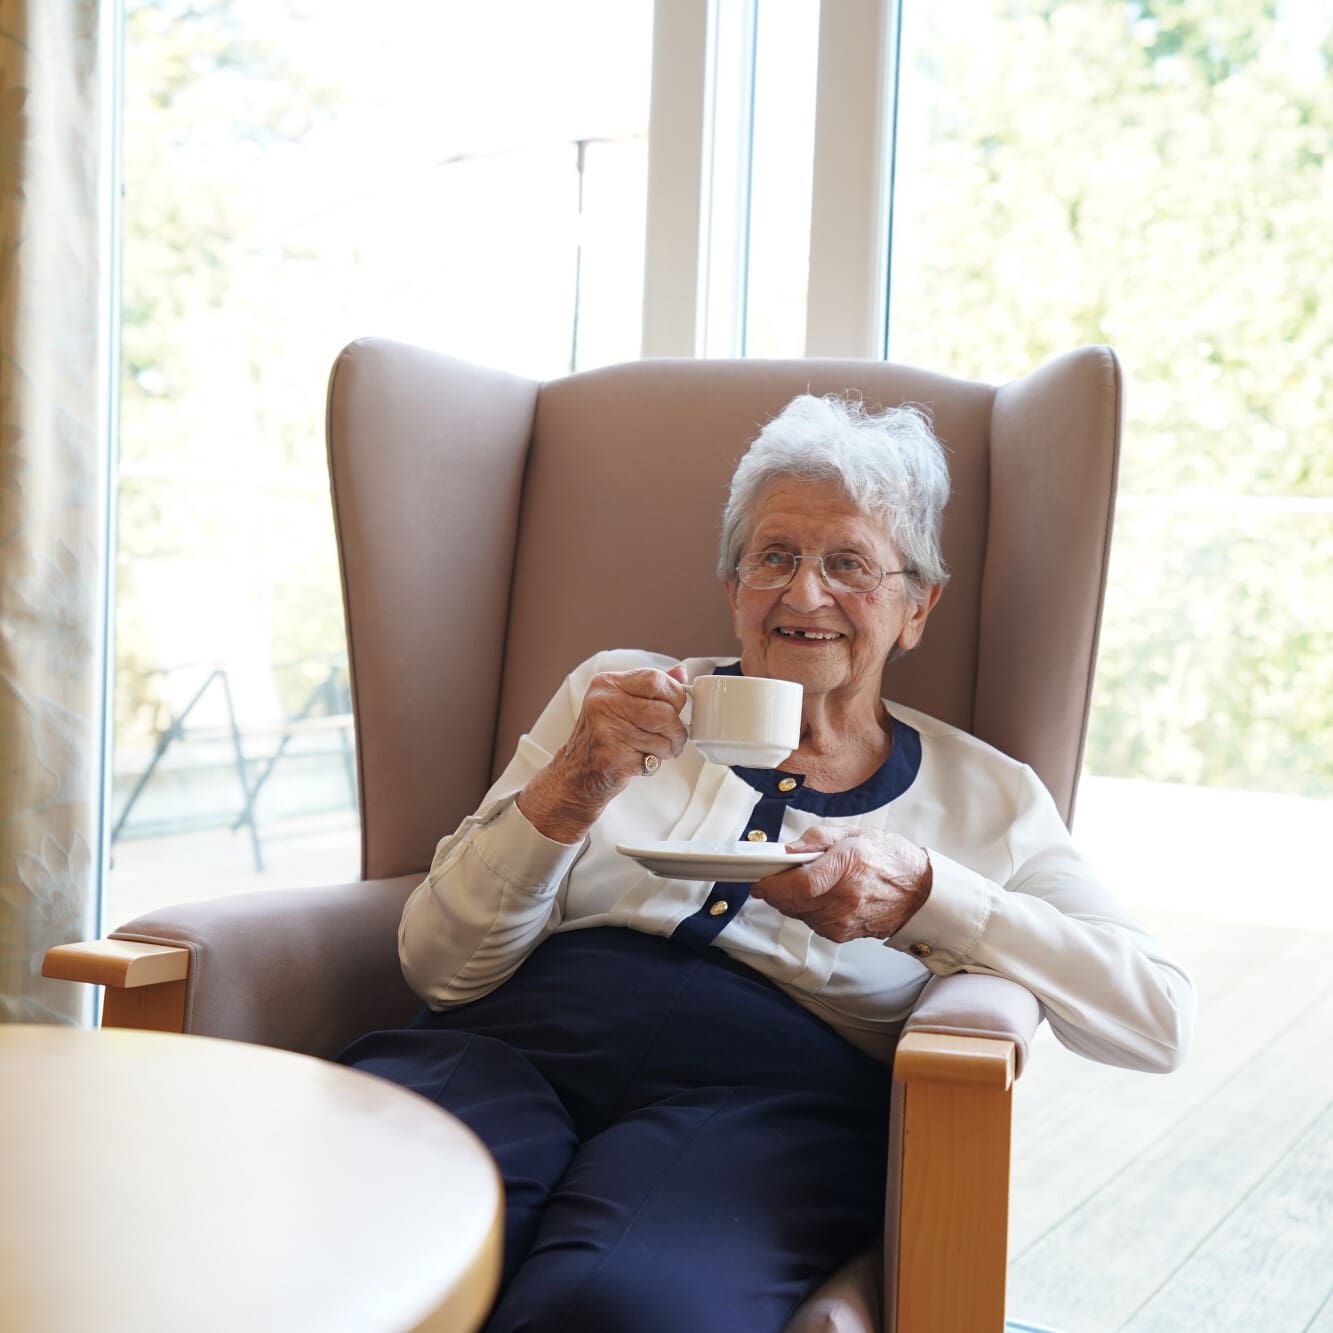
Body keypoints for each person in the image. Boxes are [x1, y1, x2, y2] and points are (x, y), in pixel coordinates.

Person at [340, 392, 1195, 1333]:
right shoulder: (613, 697)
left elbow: (1156, 1015)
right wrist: (574, 785)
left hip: (768, 1103)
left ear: (916, 608)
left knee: (620, 1308)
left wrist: (927, 896)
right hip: (509, 1041)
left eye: (849, 565)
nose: (803, 594)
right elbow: (435, 966)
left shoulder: (989, 794)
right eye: (773, 558)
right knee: (373, 1236)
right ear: (732, 587)